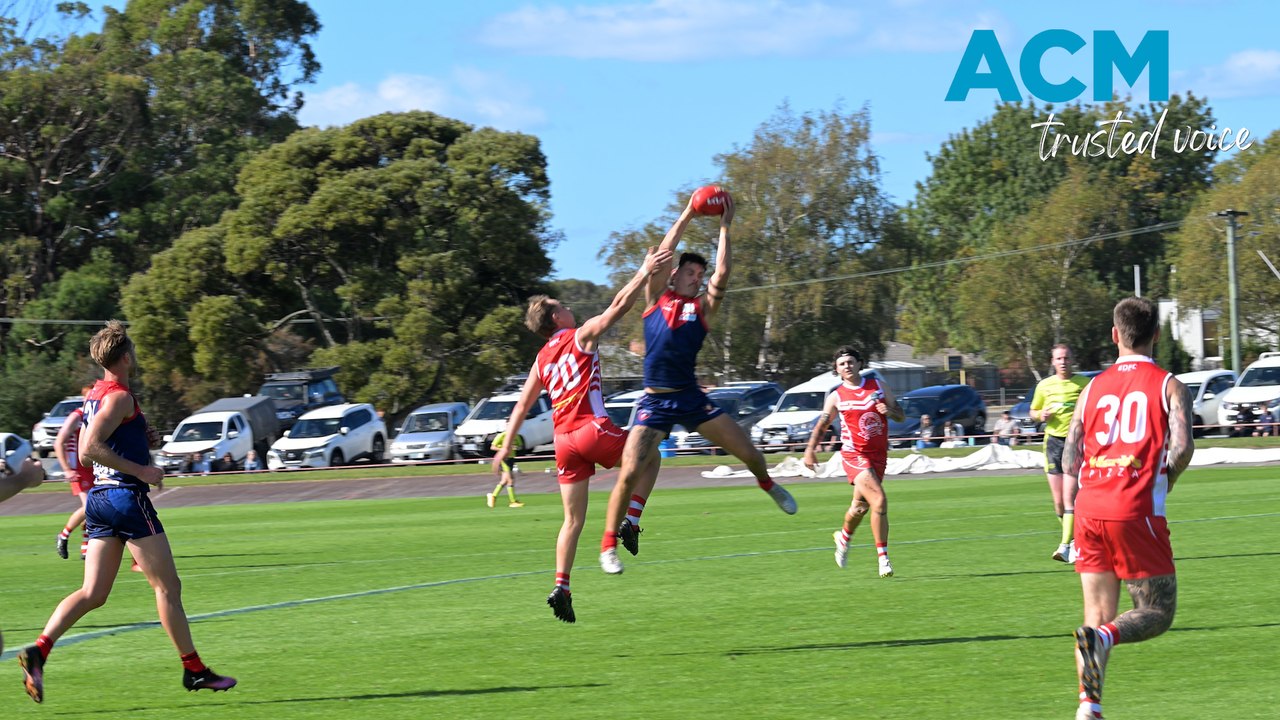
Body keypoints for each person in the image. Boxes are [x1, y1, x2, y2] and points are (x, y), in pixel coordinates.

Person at [17, 321, 236, 704]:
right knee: (168, 588)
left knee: (93, 593)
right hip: (125, 499)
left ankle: (39, 650)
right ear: (125, 356)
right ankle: (194, 670)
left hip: (101, 500)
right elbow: (90, 449)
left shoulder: (99, 393)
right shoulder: (118, 396)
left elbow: (107, 435)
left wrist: (142, 439)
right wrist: (144, 470)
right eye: (132, 350)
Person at [599, 191, 797, 577]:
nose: (697, 277)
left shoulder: (702, 308)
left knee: (751, 454)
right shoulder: (655, 297)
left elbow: (722, 274)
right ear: (673, 275)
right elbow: (663, 254)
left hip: (691, 399)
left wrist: (725, 224)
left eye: (699, 275)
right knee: (628, 472)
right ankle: (608, 545)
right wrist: (689, 211)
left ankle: (767, 484)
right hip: (655, 403)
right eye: (690, 272)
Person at [493, 245, 671, 623]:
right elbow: (619, 306)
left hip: (563, 444)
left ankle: (562, 586)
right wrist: (643, 271)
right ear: (556, 316)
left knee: (572, 521)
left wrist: (506, 449)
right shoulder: (579, 335)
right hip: (592, 430)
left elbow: (521, 406)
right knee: (651, 452)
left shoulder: (541, 359)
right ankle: (632, 521)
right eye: (563, 306)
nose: (569, 308)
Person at [1061, 297, 1194, 720]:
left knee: (1095, 617)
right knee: (1156, 612)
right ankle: (1103, 643)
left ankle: (1089, 706)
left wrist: (1074, 503)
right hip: (1134, 510)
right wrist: (1166, 479)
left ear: (1115, 335)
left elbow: (1070, 453)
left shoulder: (1092, 387)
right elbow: (1183, 446)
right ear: (1156, 334)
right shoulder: (1169, 384)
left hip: (1089, 508)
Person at [802, 347, 905, 577]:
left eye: (850, 362)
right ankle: (883, 559)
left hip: (879, 455)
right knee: (879, 500)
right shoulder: (837, 396)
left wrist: (889, 410)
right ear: (836, 369)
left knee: (860, 507)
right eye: (842, 364)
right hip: (854, 455)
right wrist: (810, 450)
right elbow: (822, 425)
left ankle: (843, 537)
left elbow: (901, 415)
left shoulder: (878, 386)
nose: (847, 366)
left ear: (860, 364)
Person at [1031, 344, 1092, 563]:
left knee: (1070, 499)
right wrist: (1041, 414)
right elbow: (1033, 411)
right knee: (1058, 502)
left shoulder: (1085, 384)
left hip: (1074, 443)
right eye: (1059, 358)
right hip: (1052, 444)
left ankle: (1065, 546)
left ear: (1072, 360)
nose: (1063, 362)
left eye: (1066, 358)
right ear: (1052, 361)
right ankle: (1076, 541)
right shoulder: (1044, 386)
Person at [52, 387, 96, 560]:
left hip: (93, 467)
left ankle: (86, 547)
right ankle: (63, 535)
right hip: (78, 469)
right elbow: (59, 442)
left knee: (94, 509)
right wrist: (67, 469)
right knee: (89, 507)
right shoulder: (77, 416)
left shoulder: (95, 416)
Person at [486, 431, 524, 509]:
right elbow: (492, 447)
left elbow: (520, 446)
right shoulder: (502, 435)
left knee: (504, 481)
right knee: (510, 480)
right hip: (504, 459)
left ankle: (493, 496)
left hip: (511, 459)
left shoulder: (516, 436)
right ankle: (512, 501)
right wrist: (503, 449)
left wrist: (516, 447)